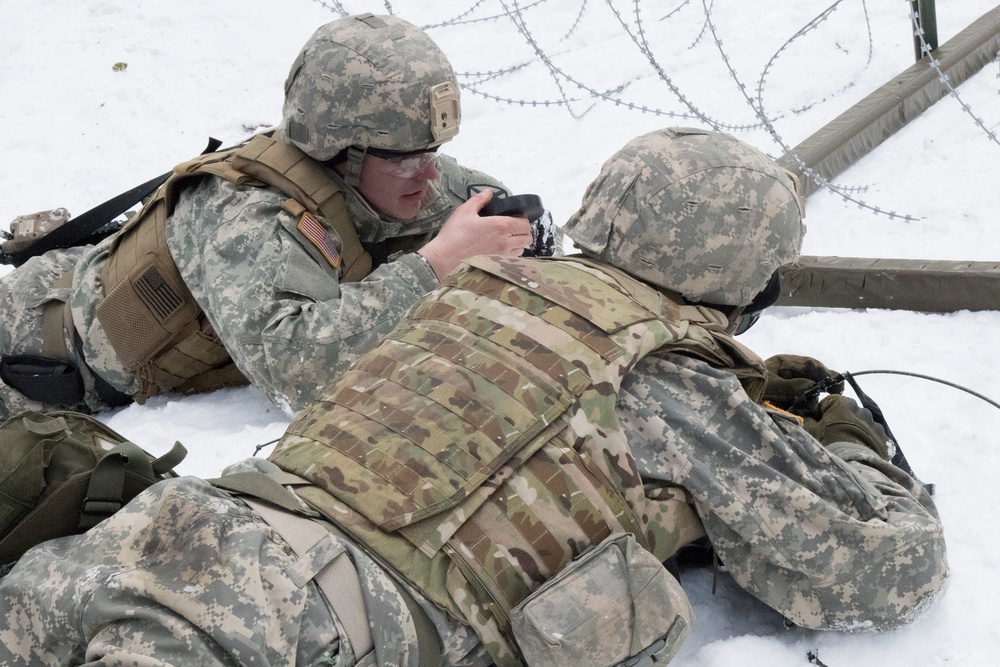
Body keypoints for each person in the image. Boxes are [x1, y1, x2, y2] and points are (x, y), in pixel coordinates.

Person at [0, 128, 947, 666]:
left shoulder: (479, 282)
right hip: (289, 628)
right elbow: (879, 570)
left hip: (157, 540)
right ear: (743, 280)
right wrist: (850, 444)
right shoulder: (668, 380)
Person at [0, 13, 535, 420]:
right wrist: (435, 266)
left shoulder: (383, 169)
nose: (429, 174)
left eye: (432, 150)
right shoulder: (248, 219)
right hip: (39, 354)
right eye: (405, 158)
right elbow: (296, 372)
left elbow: (484, 197)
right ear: (341, 150)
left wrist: (511, 226)